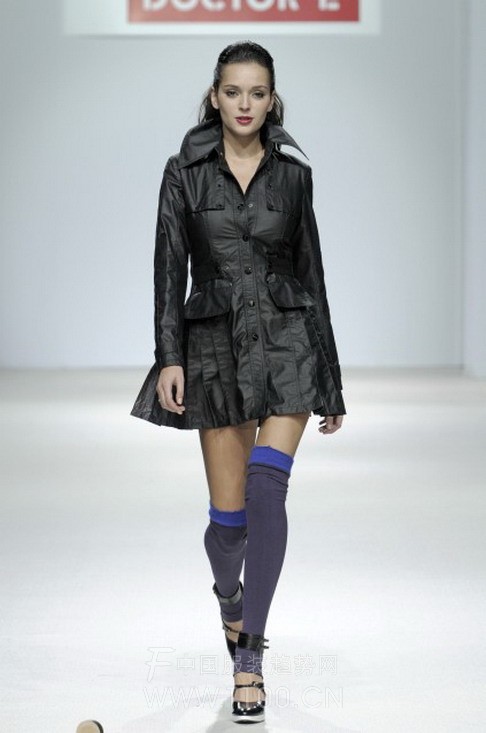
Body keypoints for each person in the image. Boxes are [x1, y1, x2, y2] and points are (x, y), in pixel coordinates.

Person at [131, 40, 346, 724]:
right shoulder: (184, 172)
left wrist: (330, 379)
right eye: (233, 92)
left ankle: (249, 658)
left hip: (287, 343)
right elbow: (169, 269)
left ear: (272, 98)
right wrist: (170, 357)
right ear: (215, 96)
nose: (245, 104)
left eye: (257, 92)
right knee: (229, 528)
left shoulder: (294, 175)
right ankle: (230, 598)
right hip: (215, 346)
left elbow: (311, 274)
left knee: (266, 488)